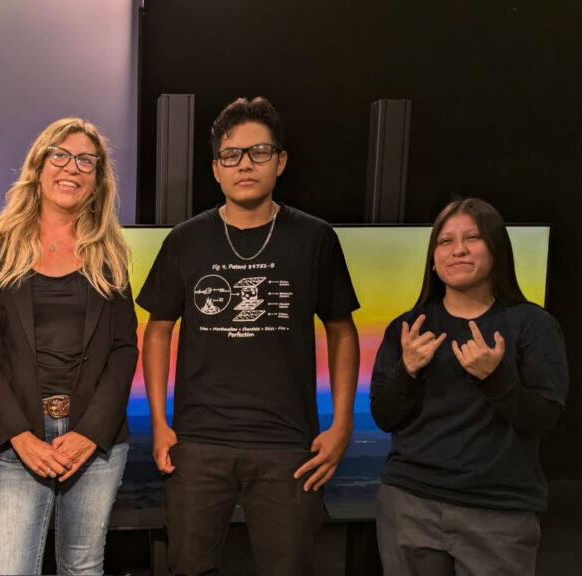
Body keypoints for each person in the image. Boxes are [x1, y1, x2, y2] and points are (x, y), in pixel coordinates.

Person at [137, 97, 360, 575]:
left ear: (280, 161)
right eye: (231, 154)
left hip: (289, 445)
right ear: (215, 168)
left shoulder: (315, 237)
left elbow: (341, 330)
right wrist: (160, 423)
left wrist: (342, 424)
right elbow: (157, 331)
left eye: (259, 151)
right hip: (196, 442)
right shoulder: (185, 239)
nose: (245, 164)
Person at [0, 118, 138, 575]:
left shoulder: (112, 252)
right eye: (59, 154)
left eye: (87, 160)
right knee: (10, 569)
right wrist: (19, 435)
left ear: (98, 178)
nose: (72, 167)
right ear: (39, 166)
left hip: (95, 436)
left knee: (82, 567)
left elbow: (125, 349)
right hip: (21, 432)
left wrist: (90, 432)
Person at [370, 198, 568, 576]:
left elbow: (543, 419)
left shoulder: (533, 325)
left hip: (500, 512)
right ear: (432, 258)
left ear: (497, 249)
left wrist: (495, 378)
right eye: (445, 241)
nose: (457, 249)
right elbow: (384, 416)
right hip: (410, 505)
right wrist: (407, 371)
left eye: (472, 238)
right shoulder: (409, 328)